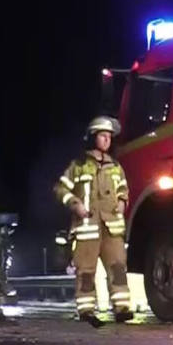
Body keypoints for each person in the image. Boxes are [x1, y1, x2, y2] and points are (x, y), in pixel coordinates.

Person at [54, 116, 132, 326]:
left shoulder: (115, 167)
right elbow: (60, 189)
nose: (107, 140)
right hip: (87, 228)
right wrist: (75, 204)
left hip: (112, 229)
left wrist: (123, 203)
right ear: (92, 138)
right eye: (102, 136)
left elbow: (123, 189)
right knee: (86, 272)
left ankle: (122, 308)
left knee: (117, 269)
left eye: (109, 137)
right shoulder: (78, 166)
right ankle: (87, 310)